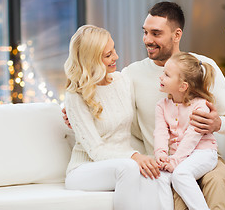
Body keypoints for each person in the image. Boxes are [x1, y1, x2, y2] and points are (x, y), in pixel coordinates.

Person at [63, 1, 225, 209]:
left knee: (216, 182)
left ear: (176, 35)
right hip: (165, 164)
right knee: (177, 194)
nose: (147, 40)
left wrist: (218, 123)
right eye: (145, 32)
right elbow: (108, 106)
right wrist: (76, 115)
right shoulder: (130, 75)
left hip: (201, 156)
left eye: (156, 33)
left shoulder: (202, 67)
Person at [63, 25, 159, 210]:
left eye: (113, 49)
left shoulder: (122, 81)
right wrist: (134, 157)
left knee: (157, 173)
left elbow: (131, 128)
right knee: (129, 168)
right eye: (108, 55)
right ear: (91, 60)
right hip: (84, 169)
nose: (116, 57)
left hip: (123, 163)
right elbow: (96, 151)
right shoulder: (75, 95)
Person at [154, 52, 219, 210]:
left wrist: (175, 161)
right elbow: (160, 133)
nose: (161, 77)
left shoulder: (200, 105)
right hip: (179, 156)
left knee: (180, 174)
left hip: (203, 153)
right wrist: (161, 155)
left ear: (183, 86)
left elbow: (192, 137)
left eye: (167, 75)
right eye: (163, 73)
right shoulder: (161, 105)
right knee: (159, 177)